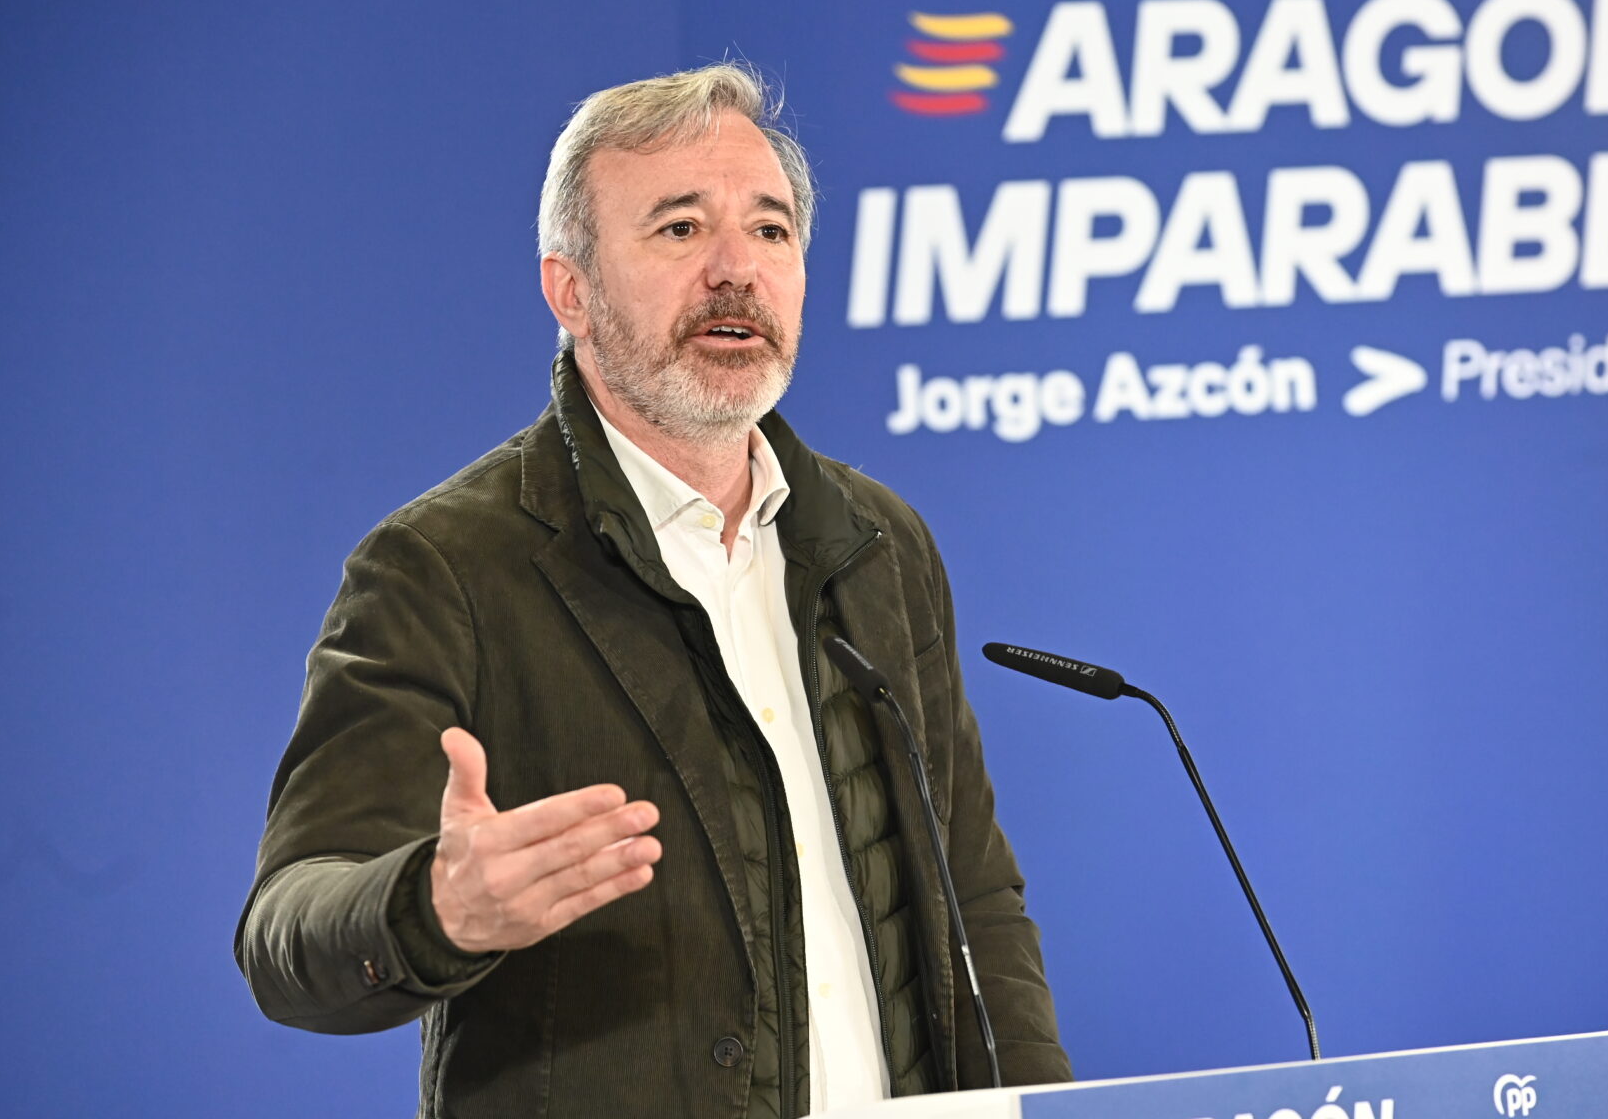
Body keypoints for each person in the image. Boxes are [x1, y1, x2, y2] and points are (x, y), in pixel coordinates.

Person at [234, 64, 1070, 1118]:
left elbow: (974, 903)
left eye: (769, 230)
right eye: (680, 229)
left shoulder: (878, 543)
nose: (737, 270)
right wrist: (432, 909)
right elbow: (286, 932)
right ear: (571, 291)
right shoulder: (445, 565)